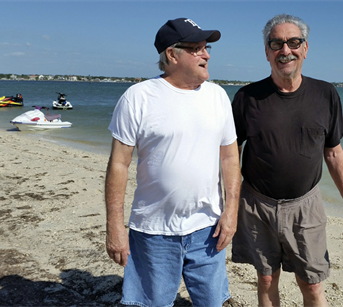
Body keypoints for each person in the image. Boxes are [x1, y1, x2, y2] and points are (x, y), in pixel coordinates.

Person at [231, 14, 343, 307]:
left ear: (305, 48)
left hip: (306, 206)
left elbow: (333, 152)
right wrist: (227, 204)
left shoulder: (325, 94)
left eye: (294, 42)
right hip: (256, 205)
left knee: (312, 283)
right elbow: (229, 154)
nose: (285, 50)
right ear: (267, 51)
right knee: (266, 279)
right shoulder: (247, 97)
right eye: (276, 43)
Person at [105, 17, 241, 307]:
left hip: (208, 229)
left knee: (213, 303)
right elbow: (118, 164)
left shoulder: (217, 97)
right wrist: (115, 227)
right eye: (197, 48)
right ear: (172, 54)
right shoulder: (137, 98)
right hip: (153, 231)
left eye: (207, 48)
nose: (206, 54)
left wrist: (231, 212)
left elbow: (230, 158)